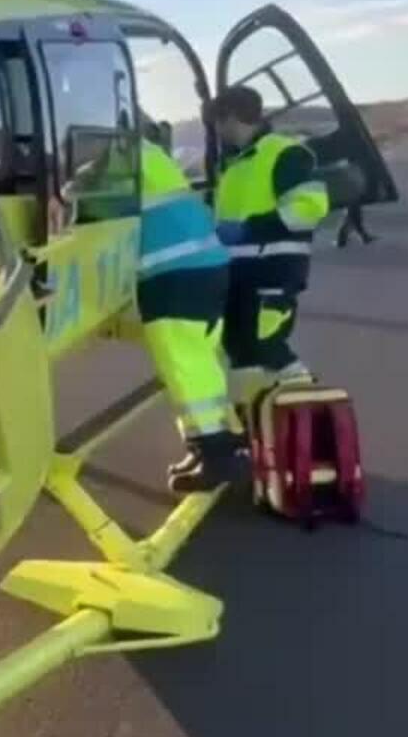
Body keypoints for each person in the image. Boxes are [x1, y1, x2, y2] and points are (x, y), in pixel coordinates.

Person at [132, 122, 249, 494]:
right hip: (204, 266)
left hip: (174, 273)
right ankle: (211, 442)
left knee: (184, 364)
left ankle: (215, 456)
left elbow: (81, 196)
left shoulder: (121, 155)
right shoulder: (150, 153)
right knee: (200, 360)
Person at [205, 86, 330, 409]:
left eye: (218, 123)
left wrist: (252, 227)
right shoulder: (236, 164)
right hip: (240, 275)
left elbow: (311, 206)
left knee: (265, 341)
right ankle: (249, 423)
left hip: (273, 271)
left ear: (230, 118)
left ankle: (310, 407)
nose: (217, 132)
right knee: (239, 347)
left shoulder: (285, 154)